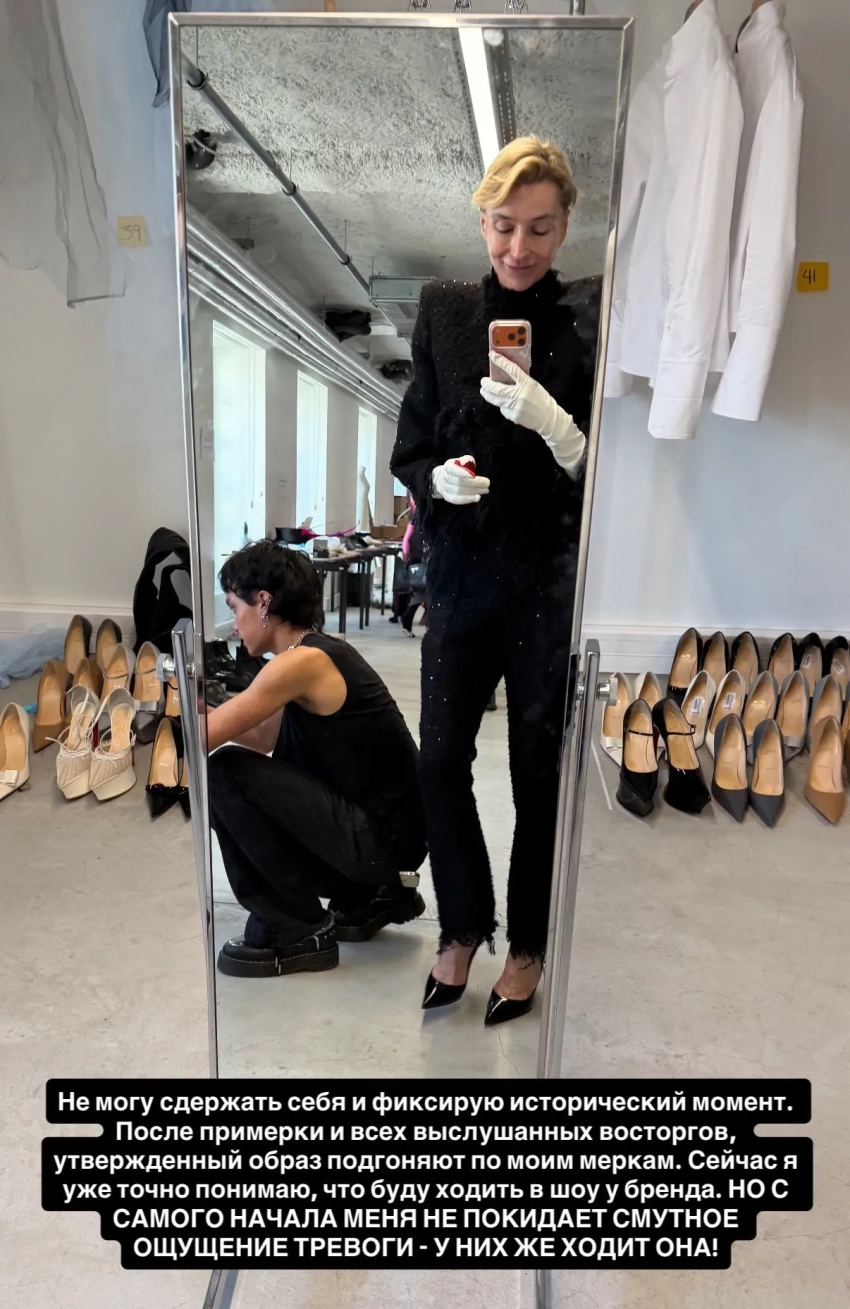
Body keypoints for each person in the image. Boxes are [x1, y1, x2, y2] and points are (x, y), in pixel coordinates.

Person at [390, 136, 593, 1026]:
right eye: (505, 225)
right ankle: (463, 925)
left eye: (540, 228)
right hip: (463, 574)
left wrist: (557, 426)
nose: (520, 247)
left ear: (565, 225)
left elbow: (607, 469)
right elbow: (411, 443)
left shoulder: (586, 315)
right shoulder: (444, 309)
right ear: (481, 220)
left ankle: (528, 945)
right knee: (439, 759)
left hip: (547, 582)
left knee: (537, 771)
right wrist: (436, 480)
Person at [204, 541, 428, 978]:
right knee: (239, 771)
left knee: (220, 773)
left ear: (263, 603)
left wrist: (161, 708)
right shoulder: (313, 653)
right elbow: (264, 738)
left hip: (380, 843)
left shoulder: (300, 663)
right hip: (394, 840)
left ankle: (295, 927)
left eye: (234, 608)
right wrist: (199, 707)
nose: (234, 626)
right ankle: (369, 895)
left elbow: (204, 739)